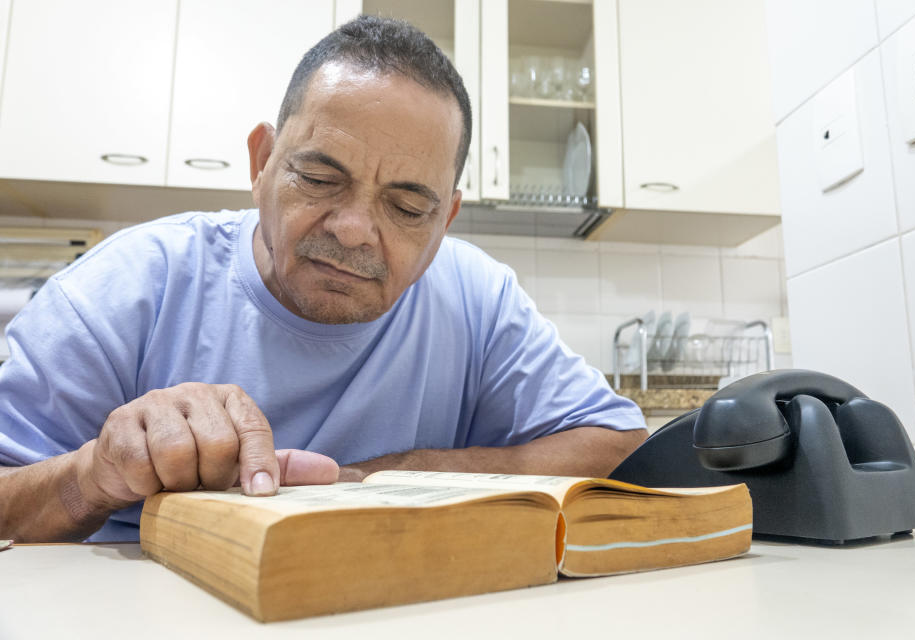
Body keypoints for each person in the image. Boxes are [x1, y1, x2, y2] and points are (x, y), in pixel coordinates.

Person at [0, 16, 646, 543]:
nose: (356, 229)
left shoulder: (477, 297)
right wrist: (95, 474)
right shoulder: (130, 284)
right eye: (318, 177)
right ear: (261, 161)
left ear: (445, 218)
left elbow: (619, 449)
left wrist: (396, 473)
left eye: (407, 206)